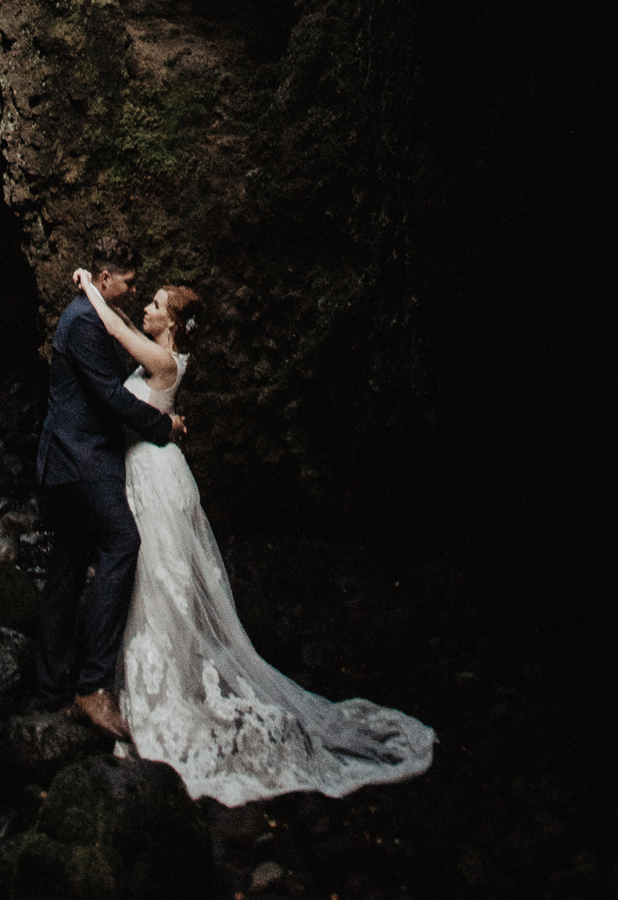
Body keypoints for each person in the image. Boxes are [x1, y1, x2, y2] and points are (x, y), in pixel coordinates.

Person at [72, 264, 436, 805]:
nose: (144, 310)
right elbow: (124, 324)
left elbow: (119, 330)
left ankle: (164, 693)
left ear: (170, 325)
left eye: (155, 306)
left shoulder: (163, 360)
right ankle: (134, 681)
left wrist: (86, 287)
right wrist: (108, 300)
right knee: (149, 580)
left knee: (161, 581)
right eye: (145, 303)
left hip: (157, 479)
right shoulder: (166, 353)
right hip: (146, 471)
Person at [31, 235, 186, 740]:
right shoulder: (83, 325)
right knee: (123, 541)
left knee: (68, 565)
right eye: (130, 281)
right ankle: (92, 686)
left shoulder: (92, 315)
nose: (134, 287)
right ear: (105, 279)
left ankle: (52, 690)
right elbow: (109, 397)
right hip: (80, 459)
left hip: (71, 458)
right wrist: (164, 428)